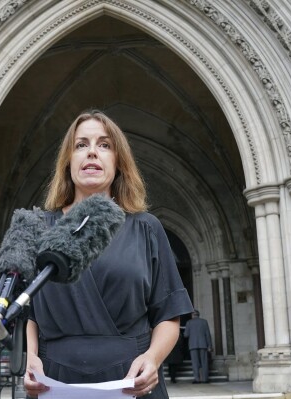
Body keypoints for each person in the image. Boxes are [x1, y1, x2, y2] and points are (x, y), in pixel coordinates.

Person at [23, 110, 194, 398]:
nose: (92, 153)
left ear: (118, 162)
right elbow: (27, 311)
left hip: (132, 381)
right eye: (81, 145)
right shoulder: (38, 229)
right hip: (54, 380)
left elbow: (169, 313)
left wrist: (152, 358)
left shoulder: (146, 228)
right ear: (68, 162)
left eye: (104, 145)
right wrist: (28, 358)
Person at [183, 309, 212, 384]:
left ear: (192, 315)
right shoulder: (204, 322)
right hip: (203, 344)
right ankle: (205, 379)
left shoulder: (189, 322)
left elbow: (186, 335)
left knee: (195, 363)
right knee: (204, 362)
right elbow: (208, 335)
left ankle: (197, 379)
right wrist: (209, 345)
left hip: (193, 345)